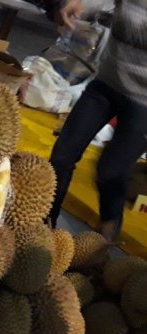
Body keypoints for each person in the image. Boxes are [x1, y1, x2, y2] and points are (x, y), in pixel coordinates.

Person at [44, 0, 147, 240]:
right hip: (106, 85)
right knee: (62, 156)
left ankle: (104, 243)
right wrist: (76, 4)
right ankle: (45, 230)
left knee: (110, 171)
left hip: (143, 102)